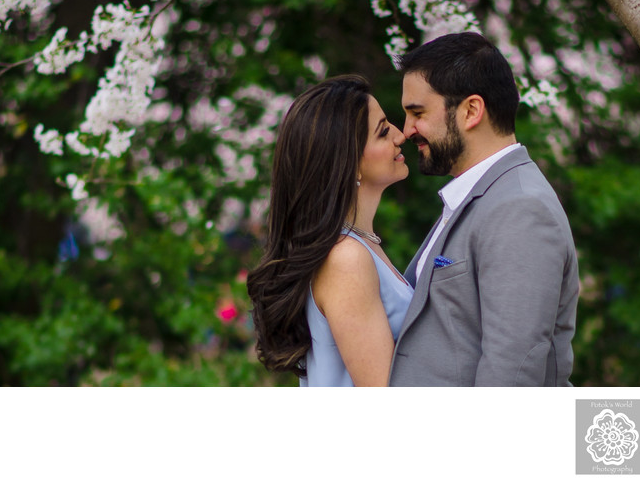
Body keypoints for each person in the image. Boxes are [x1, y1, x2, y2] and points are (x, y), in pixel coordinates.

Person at [390, 31, 579, 386]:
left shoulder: (519, 209)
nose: (406, 130)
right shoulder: (480, 197)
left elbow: (512, 372)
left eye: (417, 113)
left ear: (471, 111)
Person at [246, 75, 413, 386]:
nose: (400, 135)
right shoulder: (346, 258)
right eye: (382, 132)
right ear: (349, 163)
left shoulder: (357, 246)